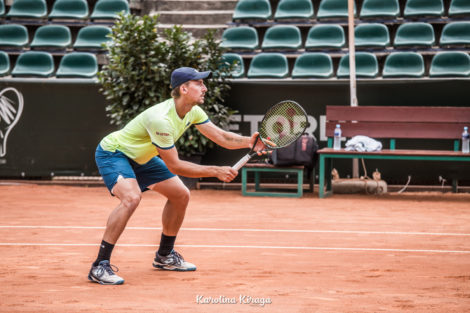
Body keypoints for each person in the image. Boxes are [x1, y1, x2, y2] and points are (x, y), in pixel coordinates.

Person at [88, 67, 267, 285]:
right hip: (115, 153)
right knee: (131, 198)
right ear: (183, 88)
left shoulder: (193, 111)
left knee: (180, 195)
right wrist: (216, 171)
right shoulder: (161, 119)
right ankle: (100, 265)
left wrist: (249, 142)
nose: (205, 88)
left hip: (143, 157)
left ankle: (165, 256)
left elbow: (220, 136)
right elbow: (174, 165)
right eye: (199, 84)